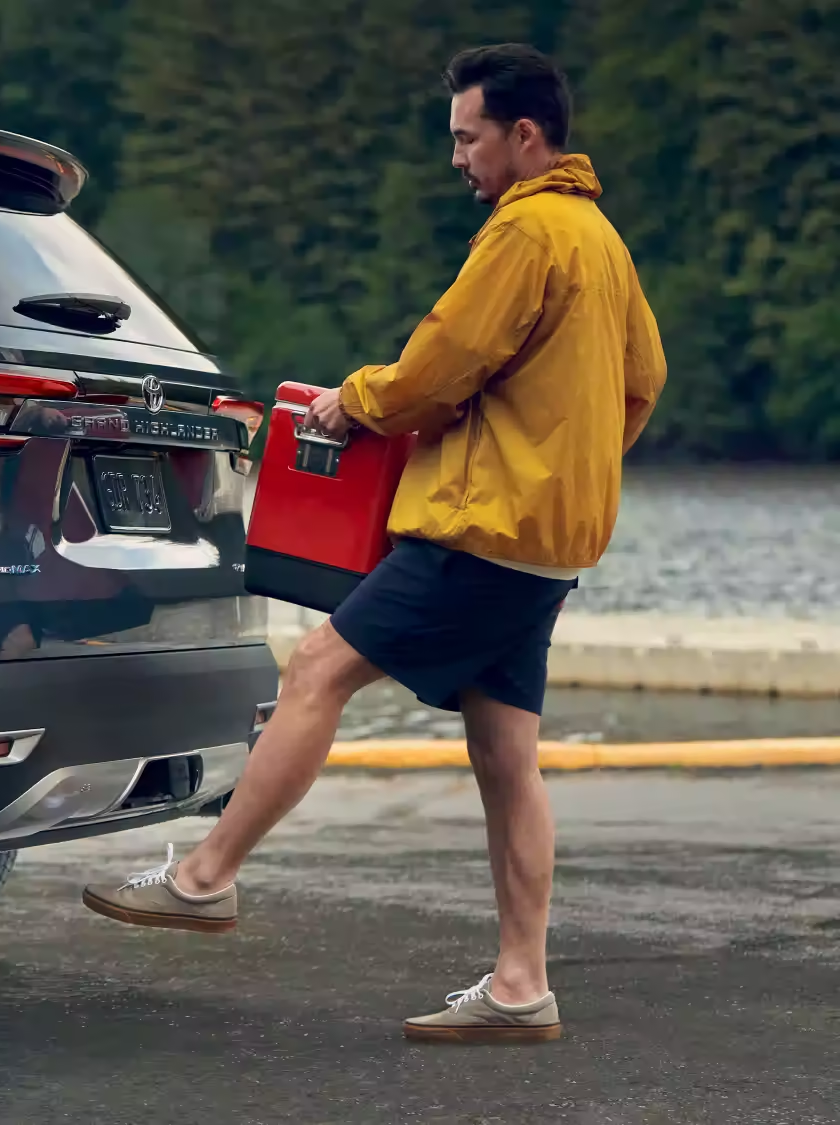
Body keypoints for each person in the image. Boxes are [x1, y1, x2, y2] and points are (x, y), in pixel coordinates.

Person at [81, 43, 666, 1043]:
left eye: (468, 138)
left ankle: (204, 877)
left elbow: (441, 363)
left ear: (525, 136)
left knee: (317, 668)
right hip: (546, 544)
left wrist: (354, 402)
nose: (456, 158)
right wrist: (567, 467)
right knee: (504, 754)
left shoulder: (526, 231)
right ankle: (520, 987)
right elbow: (642, 379)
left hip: (481, 530)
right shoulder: (599, 240)